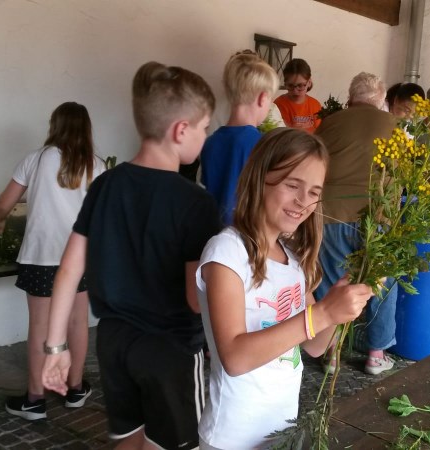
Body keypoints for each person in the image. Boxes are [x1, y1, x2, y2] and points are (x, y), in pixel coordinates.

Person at [41, 62, 222, 449]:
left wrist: (56, 348)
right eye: (205, 127)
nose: (205, 136)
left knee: (128, 437)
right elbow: (196, 298)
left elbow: (69, 270)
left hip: (114, 342)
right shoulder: (196, 203)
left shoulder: (106, 183)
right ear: (181, 130)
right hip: (170, 350)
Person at [196, 128, 373, 449]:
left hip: (281, 431)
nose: (303, 201)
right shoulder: (226, 252)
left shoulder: (293, 261)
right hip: (232, 437)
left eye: (313, 191)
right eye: (292, 185)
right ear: (259, 178)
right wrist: (320, 314)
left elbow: (317, 345)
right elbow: (234, 358)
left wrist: (341, 305)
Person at [0, 101, 104, 420]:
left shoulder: (36, 159)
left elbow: (4, 202)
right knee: (78, 321)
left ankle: (35, 399)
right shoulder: (96, 165)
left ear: (55, 125)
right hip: (78, 258)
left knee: (40, 325)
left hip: (39, 256)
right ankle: (76, 389)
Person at [314, 72, 400, 375]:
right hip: (378, 216)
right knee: (382, 282)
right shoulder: (395, 126)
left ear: (350, 99)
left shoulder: (331, 123)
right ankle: (375, 355)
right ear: (383, 102)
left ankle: (331, 353)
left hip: (333, 211)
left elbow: (313, 161)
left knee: (331, 280)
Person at [200, 50, 278, 224]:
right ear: (263, 98)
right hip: (248, 237)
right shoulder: (262, 145)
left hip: (215, 236)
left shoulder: (210, 143)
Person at [273, 58, 322, 133]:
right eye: (290, 85)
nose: (295, 91)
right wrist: (292, 129)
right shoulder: (279, 104)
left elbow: (320, 132)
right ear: (285, 83)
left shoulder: (315, 105)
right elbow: (278, 134)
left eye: (300, 85)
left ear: (309, 82)